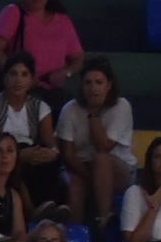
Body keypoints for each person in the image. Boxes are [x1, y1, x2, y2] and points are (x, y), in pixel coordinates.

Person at [57, 59, 134, 227]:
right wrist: (89, 176)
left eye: (99, 82)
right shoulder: (69, 109)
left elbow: (103, 147)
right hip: (80, 167)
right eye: (88, 83)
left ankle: (103, 220)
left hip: (117, 167)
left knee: (101, 160)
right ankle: (74, 235)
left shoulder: (122, 106)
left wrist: (93, 113)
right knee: (75, 185)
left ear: (109, 85)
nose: (93, 88)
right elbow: (67, 154)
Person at [0, 0, 84, 88]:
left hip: (52, 91)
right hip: (21, 90)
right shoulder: (13, 12)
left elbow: (78, 59)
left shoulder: (63, 21)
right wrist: (20, 77)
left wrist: (66, 73)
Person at [0, 54, 62, 194]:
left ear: (32, 80)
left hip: (30, 153)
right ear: (5, 78)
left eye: (24, 74)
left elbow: (49, 141)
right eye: (13, 74)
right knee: (17, 166)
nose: (18, 80)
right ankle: (33, 212)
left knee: (49, 165)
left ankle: (49, 209)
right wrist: (19, 154)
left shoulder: (41, 107)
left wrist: (53, 152)